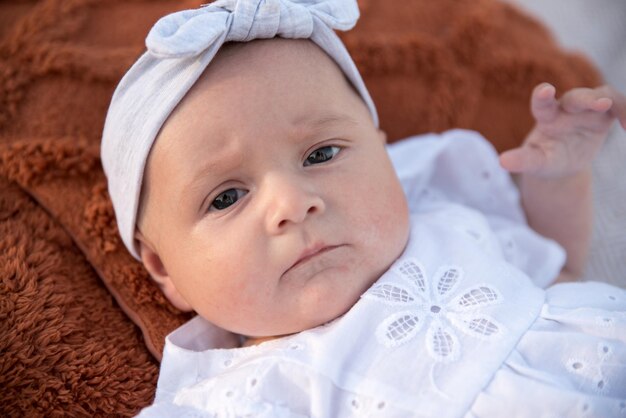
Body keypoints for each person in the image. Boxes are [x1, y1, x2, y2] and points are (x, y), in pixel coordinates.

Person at [100, 0, 626, 416]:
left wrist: (561, 177)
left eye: (321, 154)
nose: (293, 203)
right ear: (163, 267)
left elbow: (562, 268)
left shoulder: (441, 209)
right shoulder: (236, 398)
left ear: (384, 152)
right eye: (226, 197)